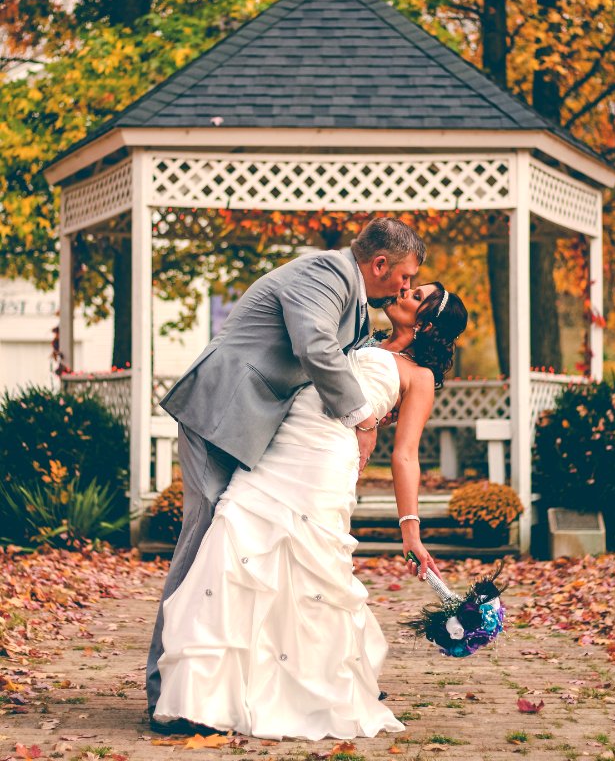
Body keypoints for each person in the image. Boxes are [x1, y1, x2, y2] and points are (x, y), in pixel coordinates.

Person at [152, 282, 468, 739]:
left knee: (311, 576)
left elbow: (407, 456)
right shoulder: (357, 334)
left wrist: (410, 530)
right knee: (230, 542)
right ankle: (204, 699)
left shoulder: (417, 377)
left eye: (416, 294)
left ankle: (307, 691)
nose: (404, 290)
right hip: (278, 448)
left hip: (323, 466)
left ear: (425, 323)